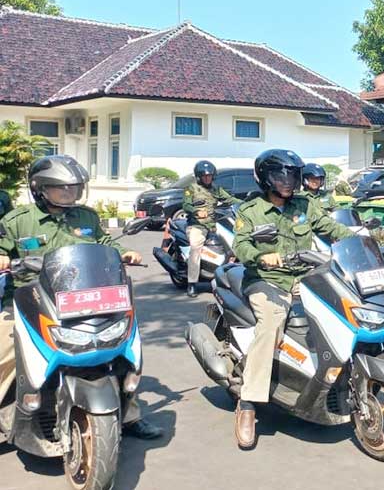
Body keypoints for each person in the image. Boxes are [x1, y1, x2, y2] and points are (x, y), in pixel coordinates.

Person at [0, 155, 162, 439]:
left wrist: (123, 253)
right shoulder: (18, 221)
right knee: (5, 348)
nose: (70, 193)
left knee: (124, 347)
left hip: (85, 297)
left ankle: (130, 415)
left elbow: (104, 243)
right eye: (62, 188)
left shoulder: (87, 216)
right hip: (33, 299)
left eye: (74, 187)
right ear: (40, 189)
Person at [231, 149, 353, 449]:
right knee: (271, 325)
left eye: (292, 176)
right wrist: (261, 256)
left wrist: (358, 237)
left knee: (342, 308)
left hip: (304, 278)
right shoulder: (250, 211)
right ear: (265, 178)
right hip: (266, 280)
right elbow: (241, 246)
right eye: (280, 176)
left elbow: (330, 228)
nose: (287, 182)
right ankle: (248, 403)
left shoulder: (304, 205)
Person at [182, 160, 238, 297]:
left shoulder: (216, 189)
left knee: (235, 240)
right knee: (195, 248)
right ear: (199, 177)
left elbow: (230, 199)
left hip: (213, 224)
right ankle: (192, 284)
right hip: (197, 225)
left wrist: (248, 204)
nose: (207, 178)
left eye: (210, 176)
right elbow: (186, 205)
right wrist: (196, 211)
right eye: (205, 176)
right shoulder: (191, 189)